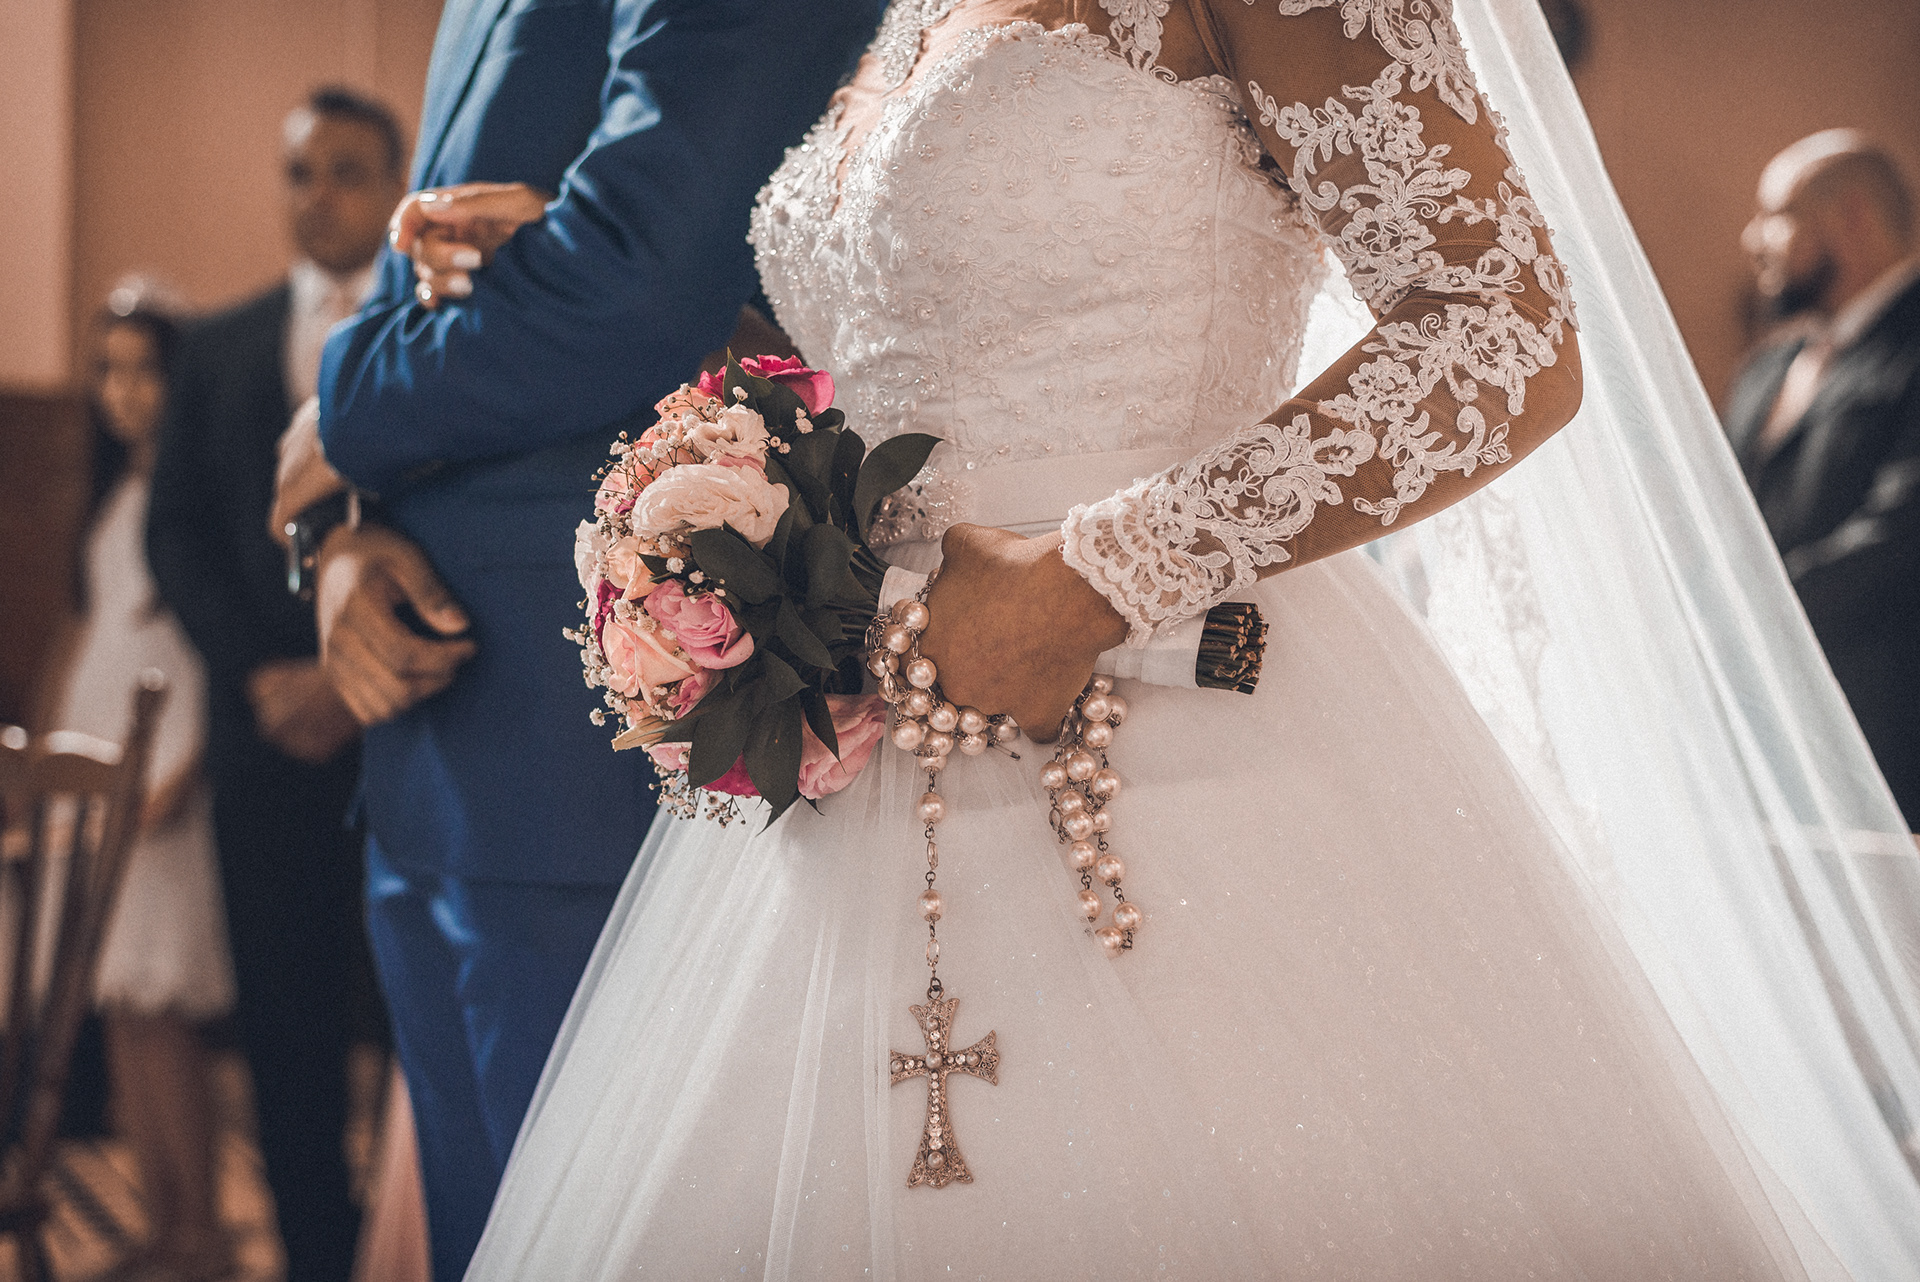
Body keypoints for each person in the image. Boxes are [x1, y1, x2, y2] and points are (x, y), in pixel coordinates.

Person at [460, 0, 1920, 1277]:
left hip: (1183, 711)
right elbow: (912, 346)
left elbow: (1502, 333)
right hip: (867, 753)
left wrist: (1103, 571)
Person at [265, 4, 883, 1276]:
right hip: (431, 742)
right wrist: (339, 536)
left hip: (597, 737)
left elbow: (637, 278)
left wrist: (342, 401)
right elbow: (428, 274)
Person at [147, 87, 403, 1282]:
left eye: (347, 170)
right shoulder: (219, 345)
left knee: (409, 1018)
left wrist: (353, 679)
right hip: (260, 741)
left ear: (394, 186)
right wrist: (259, 673)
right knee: (283, 1025)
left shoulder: (433, 338)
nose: (319, 195)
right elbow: (176, 532)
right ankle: (311, 1255)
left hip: (404, 729)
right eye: (301, 171)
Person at [50, 288, 237, 1282]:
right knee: (121, 1004)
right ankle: (161, 1223)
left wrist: (172, 777)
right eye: (108, 372)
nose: (124, 392)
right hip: (99, 787)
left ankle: (202, 1226)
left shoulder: (197, 493)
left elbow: (205, 657)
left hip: (161, 786)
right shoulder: (116, 491)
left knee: (163, 1011)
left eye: (145, 371)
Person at [1725, 129, 1920, 826]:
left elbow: (1902, 536)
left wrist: (1749, 615)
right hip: (1761, 731)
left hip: (1883, 736)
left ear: (1852, 216)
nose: (1753, 239)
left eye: (1777, 216)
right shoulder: (1768, 367)